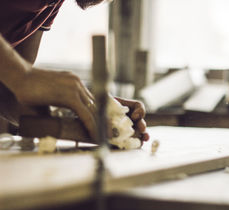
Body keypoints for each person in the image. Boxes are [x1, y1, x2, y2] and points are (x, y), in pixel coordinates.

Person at [0, 0, 149, 144]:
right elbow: (19, 78)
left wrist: (78, 107)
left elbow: (7, 90)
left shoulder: (51, 4)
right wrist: (23, 76)